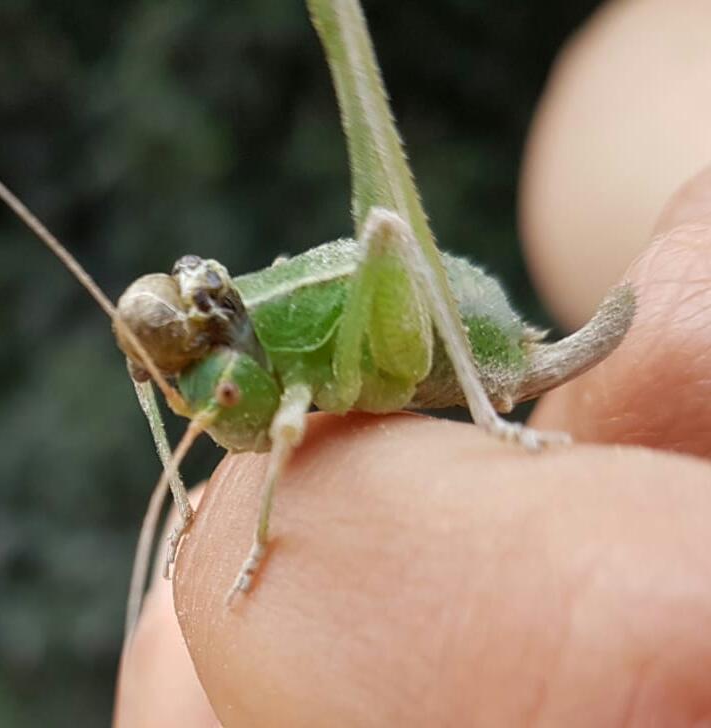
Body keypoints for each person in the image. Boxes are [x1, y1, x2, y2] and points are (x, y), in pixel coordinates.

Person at [115, 3, 711, 724]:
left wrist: (257, 544)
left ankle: (491, 413)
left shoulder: (276, 372)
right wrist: (182, 512)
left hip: (412, 332)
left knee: (383, 232)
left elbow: (292, 411)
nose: (216, 413)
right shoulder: (219, 345)